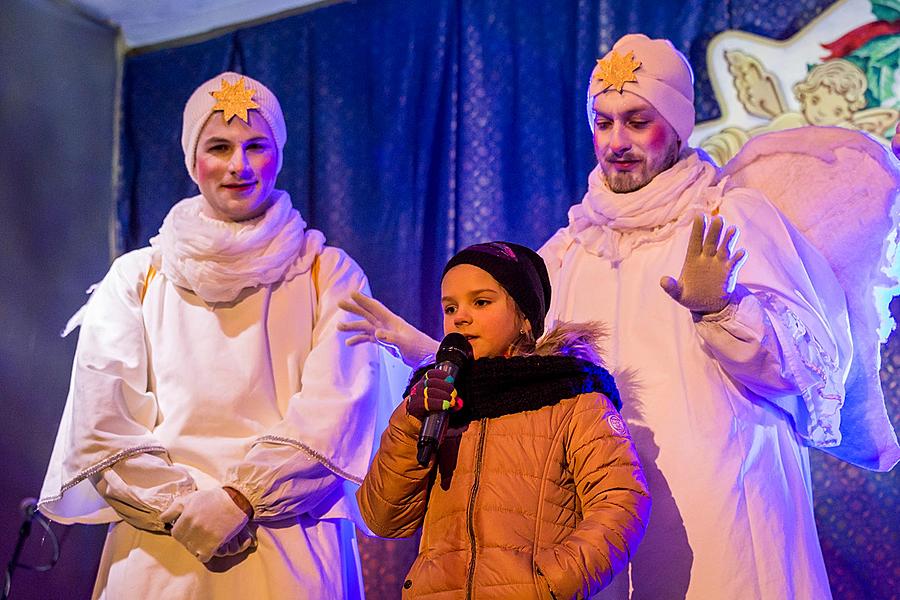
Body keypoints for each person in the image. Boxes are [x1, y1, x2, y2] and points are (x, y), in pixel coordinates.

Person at [340, 35, 900, 599]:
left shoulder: (729, 216)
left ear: (678, 126)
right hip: (598, 508)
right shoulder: (571, 247)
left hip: (724, 502)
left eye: (637, 121)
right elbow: (522, 369)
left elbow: (809, 373)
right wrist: (440, 353)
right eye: (603, 123)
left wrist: (725, 310)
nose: (617, 142)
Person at [38, 72, 389, 599]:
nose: (238, 166)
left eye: (256, 146)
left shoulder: (328, 274)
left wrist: (243, 499)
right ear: (191, 158)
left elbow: (337, 410)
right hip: (161, 551)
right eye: (219, 147)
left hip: (288, 544)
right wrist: (181, 508)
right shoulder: (136, 277)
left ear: (279, 153)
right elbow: (103, 420)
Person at [356, 242, 650, 599]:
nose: (461, 317)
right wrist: (412, 420)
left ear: (525, 318)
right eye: (451, 307)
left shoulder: (574, 396)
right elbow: (383, 517)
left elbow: (621, 501)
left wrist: (549, 584)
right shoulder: (437, 401)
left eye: (481, 302)